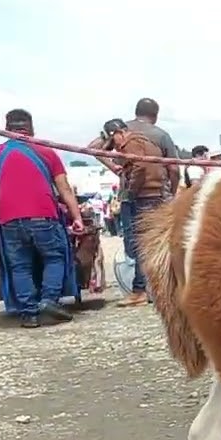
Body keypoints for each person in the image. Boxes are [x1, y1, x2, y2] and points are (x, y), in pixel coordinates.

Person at [0, 109, 84, 327]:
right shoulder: (47, 152)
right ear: (31, 128)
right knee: (54, 258)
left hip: (9, 220)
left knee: (20, 266)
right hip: (44, 217)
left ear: (6, 129)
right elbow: (64, 188)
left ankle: (29, 314)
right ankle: (48, 301)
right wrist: (77, 218)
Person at [90, 118, 167, 307]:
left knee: (139, 246)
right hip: (154, 195)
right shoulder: (145, 142)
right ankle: (148, 289)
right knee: (148, 246)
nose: (114, 147)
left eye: (113, 140)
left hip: (143, 197)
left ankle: (139, 290)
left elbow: (140, 167)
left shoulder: (131, 143)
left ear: (118, 133)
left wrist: (131, 191)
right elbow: (93, 149)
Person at [128, 98, 181, 196]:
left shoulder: (122, 132)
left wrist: (114, 167)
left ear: (136, 112)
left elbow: (94, 148)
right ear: (155, 115)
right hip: (155, 194)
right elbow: (174, 169)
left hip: (127, 193)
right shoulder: (161, 135)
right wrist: (173, 192)